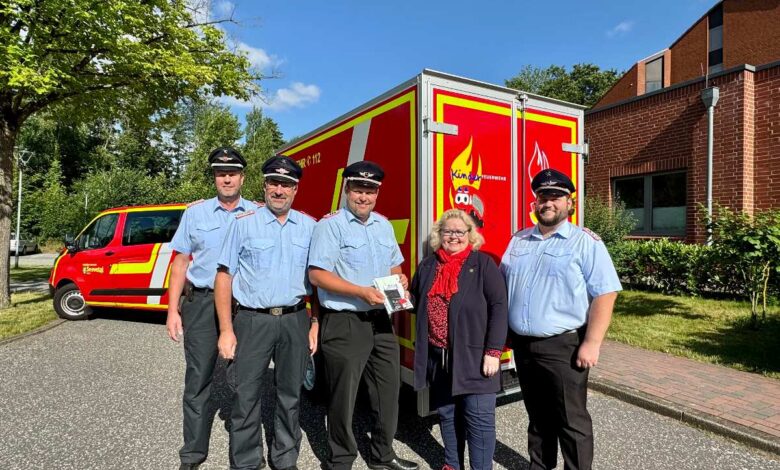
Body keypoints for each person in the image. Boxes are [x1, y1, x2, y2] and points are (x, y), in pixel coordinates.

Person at [500, 169, 622, 470]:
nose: (548, 202)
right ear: (535, 203)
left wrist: (592, 343)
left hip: (563, 347)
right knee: (537, 417)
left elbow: (606, 294)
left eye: (556, 197)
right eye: (542, 196)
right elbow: (503, 288)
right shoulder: (518, 240)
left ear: (570, 203)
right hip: (523, 346)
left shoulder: (586, 243)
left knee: (571, 420)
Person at [307, 161, 418, 470]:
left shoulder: (383, 225)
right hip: (345, 322)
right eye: (358, 190)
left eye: (370, 191)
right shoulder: (330, 226)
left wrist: (401, 281)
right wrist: (360, 292)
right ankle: (340, 460)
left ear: (377, 193)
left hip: (381, 320)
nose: (364, 197)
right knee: (344, 396)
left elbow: (394, 265)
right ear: (347, 190)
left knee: (388, 391)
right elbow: (317, 275)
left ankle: (383, 454)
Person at [214, 155, 319, 470]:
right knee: (245, 396)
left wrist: (314, 322)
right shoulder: (243, 223)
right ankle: (246, 462)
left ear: (295, 189)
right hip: (251, 320)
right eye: (274, 182)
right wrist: (225, 329)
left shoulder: (310, 227)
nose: (279, 189)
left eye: (286, 184)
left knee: (290, 394)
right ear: (264, 185)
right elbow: (223, 277)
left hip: (295, 319)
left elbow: (317, 281)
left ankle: (285, 458)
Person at [166, 147, 257, 470]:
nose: (227, 178)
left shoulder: (257, 213)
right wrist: (173, 309)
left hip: (242, 305)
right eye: (221, 173)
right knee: (198, 378)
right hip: (201, 302)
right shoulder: (196, 214)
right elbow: (180, 262)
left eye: (233, 173)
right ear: (215, 178)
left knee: (244, 379)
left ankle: (246, 455)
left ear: (243, 178)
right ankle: (192, 453)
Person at [410, 209, 507, 470]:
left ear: (470, 235)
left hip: (474, 357)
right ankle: (452, 464)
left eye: (459, 231)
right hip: (438, 357)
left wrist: (494, 351)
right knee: (447, 414)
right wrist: (393, 293)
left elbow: (499, 307)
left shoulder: (483, 264)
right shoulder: (429, 265)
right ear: (439, 235)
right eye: (447, 231)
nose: (453, 236)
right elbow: (415, 301)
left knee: (478, 420)